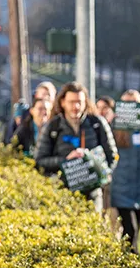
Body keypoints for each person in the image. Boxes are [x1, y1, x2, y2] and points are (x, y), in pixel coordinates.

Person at [34, 81, 118, 211]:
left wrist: (93, 163)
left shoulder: (97, 124)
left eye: (80, 102)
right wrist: (65, 160)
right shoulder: (52, 127)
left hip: (93, 196)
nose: (76, 106)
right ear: (62, 102)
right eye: (71, 102)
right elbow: (39, 160)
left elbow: (112, 156)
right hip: (61, 195)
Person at [109, 90, 140, 251]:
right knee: (130, 230)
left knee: (137, 232)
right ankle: (129, 262)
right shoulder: (114, 129)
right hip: (122, 187)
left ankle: (129, 262)